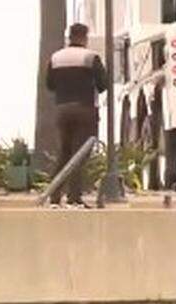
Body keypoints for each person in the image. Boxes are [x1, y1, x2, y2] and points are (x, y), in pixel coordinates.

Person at [45, 23, 107, 208]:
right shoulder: (90, 57)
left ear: (69, 37)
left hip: (62, 109)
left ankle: (55, 196)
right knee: (80, 154)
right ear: (84, 37)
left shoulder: (56, 57)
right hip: (84, 109)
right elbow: (103, 85)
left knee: (64, 153)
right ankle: (74, 197)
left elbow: (50, 85)